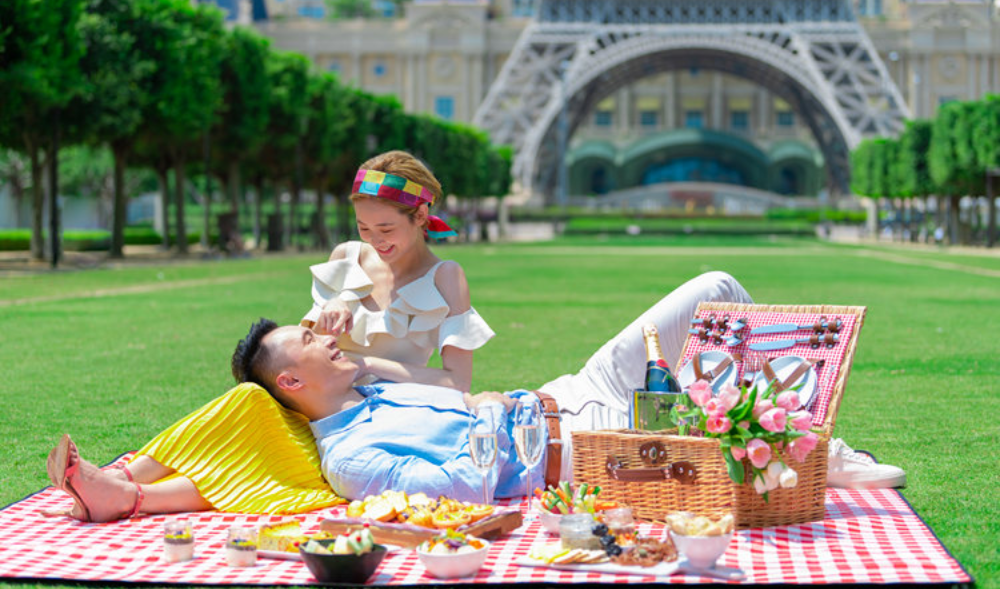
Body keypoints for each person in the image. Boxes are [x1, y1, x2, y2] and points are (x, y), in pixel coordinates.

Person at [46, 271, 760, 519]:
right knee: (723, 443)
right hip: (570, 445)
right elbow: (464, 488)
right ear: (290, 384)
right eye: (308, 341)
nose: (323, 336)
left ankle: (775, 413)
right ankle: (779, 432)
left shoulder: (369, 382)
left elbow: (453, 379)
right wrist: (489, 421)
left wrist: (356, 349)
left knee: (717, 289)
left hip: (572, 388)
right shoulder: (352, 460)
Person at [44, 150, 496, 522]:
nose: (375, 241)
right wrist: (330, 309)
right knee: (250, 400)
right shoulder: (348, 257)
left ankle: (123, 495)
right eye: (364, 228)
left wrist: (368, 365)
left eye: (386, 229)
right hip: (314, 397)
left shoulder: (445, 278)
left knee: (268, 456)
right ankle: (120, 480)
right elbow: (295, 351)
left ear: (421, 215)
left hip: (378, 420)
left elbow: (457, 384)